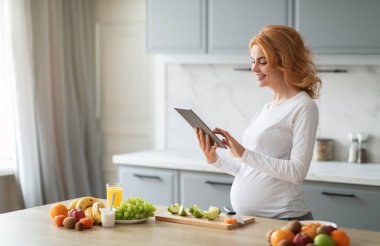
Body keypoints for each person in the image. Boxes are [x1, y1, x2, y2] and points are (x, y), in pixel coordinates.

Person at [195, 25, 321, 220]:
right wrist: (215, 160)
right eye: (253, 61)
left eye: (262, 62)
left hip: (285, 220)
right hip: (253, 221)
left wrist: (244, 153)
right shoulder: (266, 108)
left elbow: (297, 172)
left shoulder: (303, 106)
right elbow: (252, 170)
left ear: (283, 62)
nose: (253, 68)